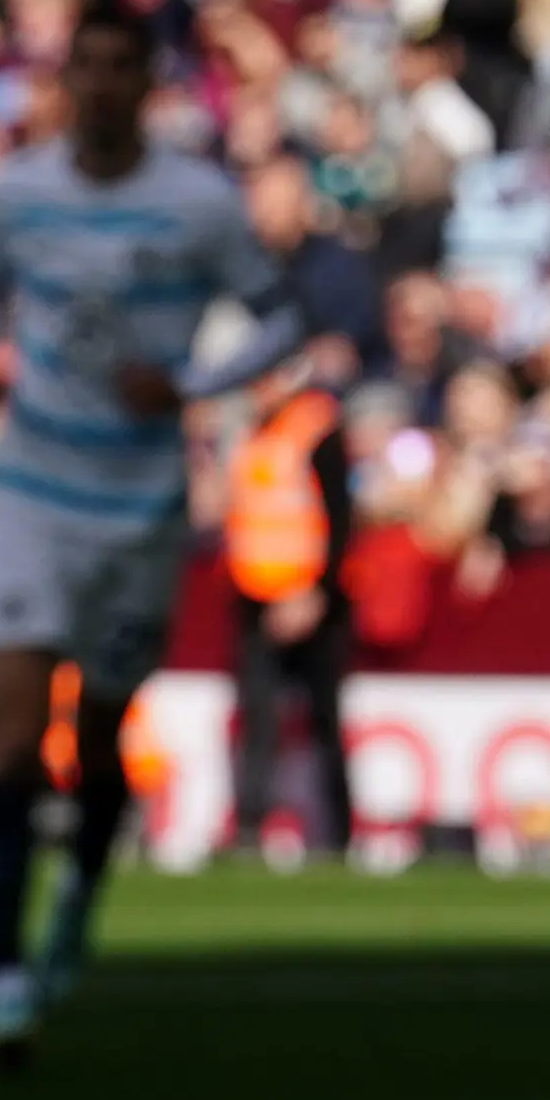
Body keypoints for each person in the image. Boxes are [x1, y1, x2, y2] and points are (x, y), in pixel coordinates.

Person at [0, 2, 305, 1060]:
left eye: (122, 65)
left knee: (105, 731)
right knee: (15, 727)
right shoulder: (15, 192)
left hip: (138, 502)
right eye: (89, 65)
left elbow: (282, 316)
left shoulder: (197, 203)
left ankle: (78, 892)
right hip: (32, 486)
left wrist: (195, 383)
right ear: (65, 78)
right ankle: (2, 975)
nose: (103, 84)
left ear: (148, 82)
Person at [223, 357, 358, 861]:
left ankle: (338, 836)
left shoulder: (317, 428)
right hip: (257, 595)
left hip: (312, 601)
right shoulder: (252, 433)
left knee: (324, 719)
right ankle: (249, 830)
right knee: (257, 718)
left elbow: (339, 517)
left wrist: (315, 592)